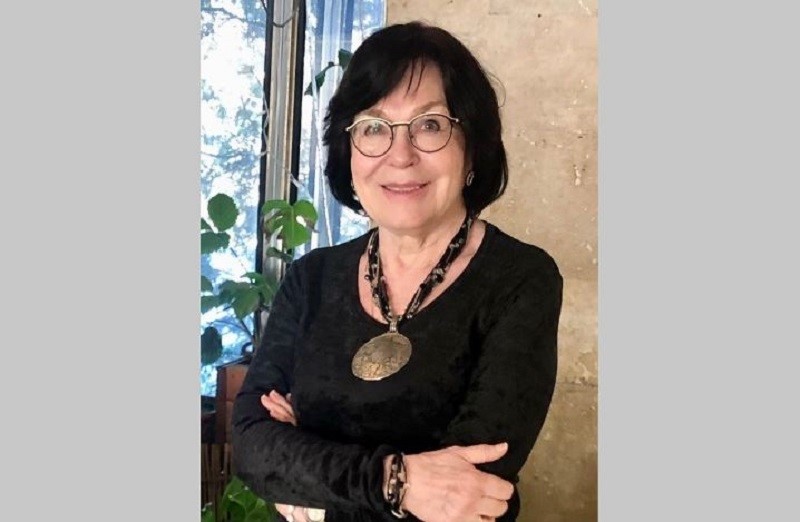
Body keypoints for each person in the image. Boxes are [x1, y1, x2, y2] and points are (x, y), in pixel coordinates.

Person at [232, 21, 563, 522]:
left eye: (430, 125)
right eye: (373, 128)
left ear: (472, 146)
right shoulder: (311, 279)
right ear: (348, 152)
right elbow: (252, 445)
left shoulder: (520, 280)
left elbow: (468, 493)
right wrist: (397, 481)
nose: (400, 155)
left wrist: (309, 487)